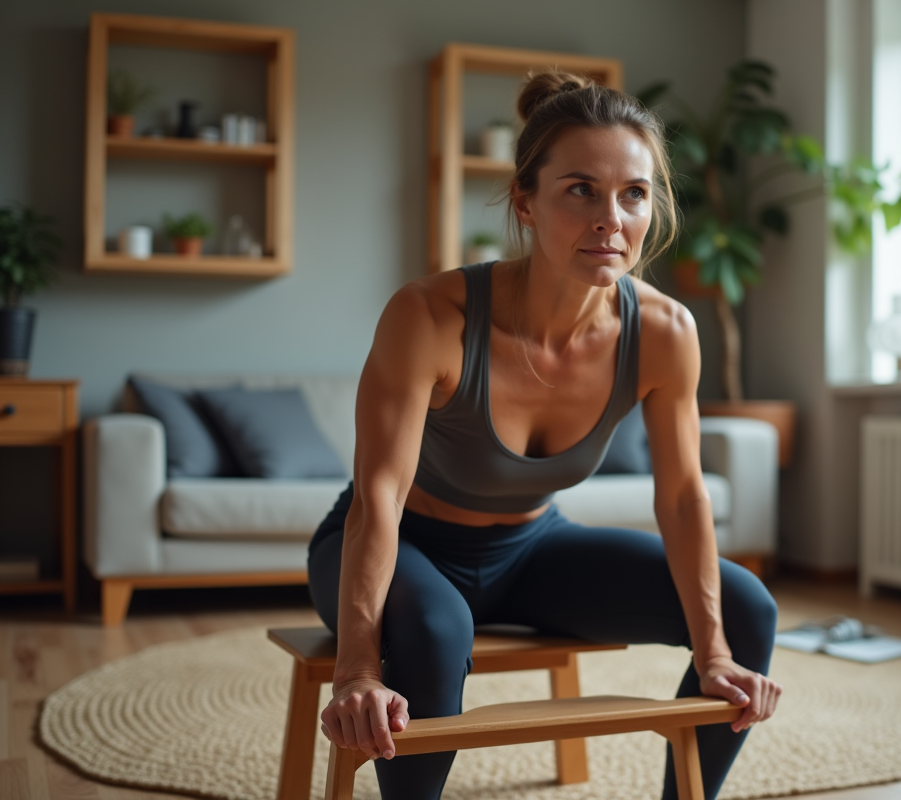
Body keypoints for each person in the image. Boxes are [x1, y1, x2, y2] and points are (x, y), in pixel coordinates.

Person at [307, 71, 781, 800]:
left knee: (748, 608)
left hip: (530, 549)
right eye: (580, 190)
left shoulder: (664, 332)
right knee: (435, 635)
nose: (611, 219)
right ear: (525, 203)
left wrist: (714, 652)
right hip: (399, 543)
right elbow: (378, 495)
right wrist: (357, 669)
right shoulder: (430, 317)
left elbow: (684, 498)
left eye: (634, 193)